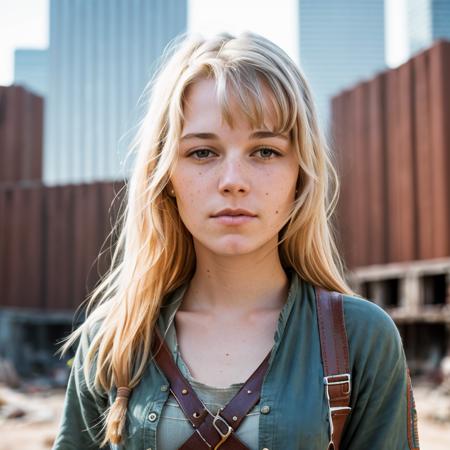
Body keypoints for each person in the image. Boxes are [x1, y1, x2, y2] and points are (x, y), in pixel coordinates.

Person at [53, 31, 420, 450]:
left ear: (299, 174)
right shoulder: (113, 340)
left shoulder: (361, 338)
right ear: (166, 175)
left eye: (264, 151)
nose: (233, 182)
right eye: (202, 153)